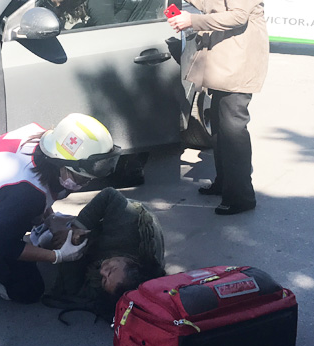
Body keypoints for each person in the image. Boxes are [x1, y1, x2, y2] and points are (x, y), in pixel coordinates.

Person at [0, 113, 122, 303]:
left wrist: (50, 219)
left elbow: (29, 193)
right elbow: (5, 245)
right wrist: (56, 256)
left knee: (20, 223)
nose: (87, 182)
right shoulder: (27, 194)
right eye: (82, 177)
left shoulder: (44, 140)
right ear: (60, 164)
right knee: (27, 289)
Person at [167, 0, 268, 215]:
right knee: (220, 130)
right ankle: (225, 183)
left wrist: (192, 20)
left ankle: (241, 196)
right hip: (224, 61)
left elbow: (238, 16)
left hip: (237, 62)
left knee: (232, 130)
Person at [37, 187, 165, 317]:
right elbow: (109, 194)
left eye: (104, 280)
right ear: (132, 262)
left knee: (49, 241)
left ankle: (55, 221)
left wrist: (72, 249)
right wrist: (75, 230)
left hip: (101, 242)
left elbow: (72, 288)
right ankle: (58, 219)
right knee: (55, 237)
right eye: (111, 270)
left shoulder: (114, 285)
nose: (102, 271)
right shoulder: (129, 225)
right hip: (111, 214)